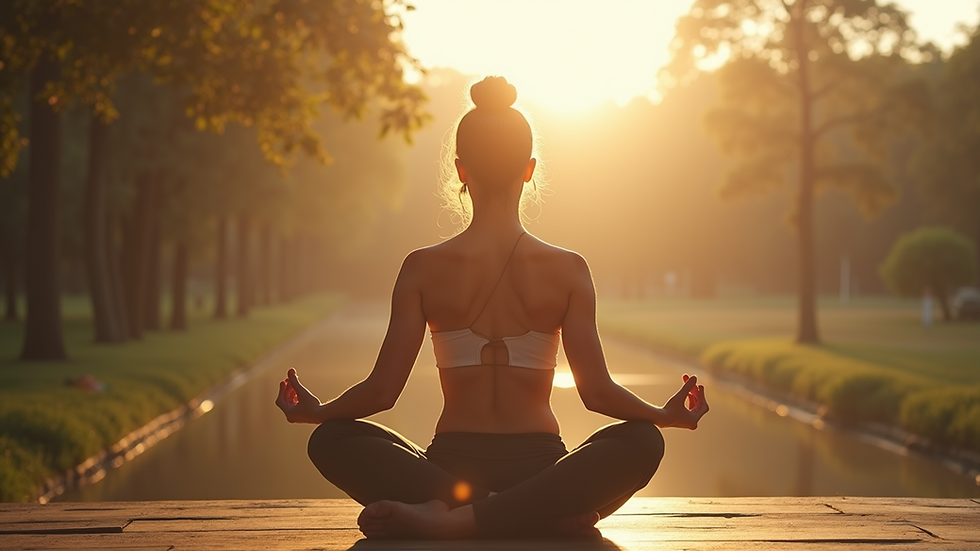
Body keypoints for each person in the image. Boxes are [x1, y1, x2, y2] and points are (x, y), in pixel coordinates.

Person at [275, 76, 709, 540]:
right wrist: (664, 416)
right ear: (529, 169)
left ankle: (456, 516)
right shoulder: (568, 269)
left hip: (447, 480)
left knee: (332, 439)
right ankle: (530, 513)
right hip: (543, 476)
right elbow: (597, 394)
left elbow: (382, 392)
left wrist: (317, 414)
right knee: (643, 440)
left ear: (461, 170)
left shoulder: (422, 268)